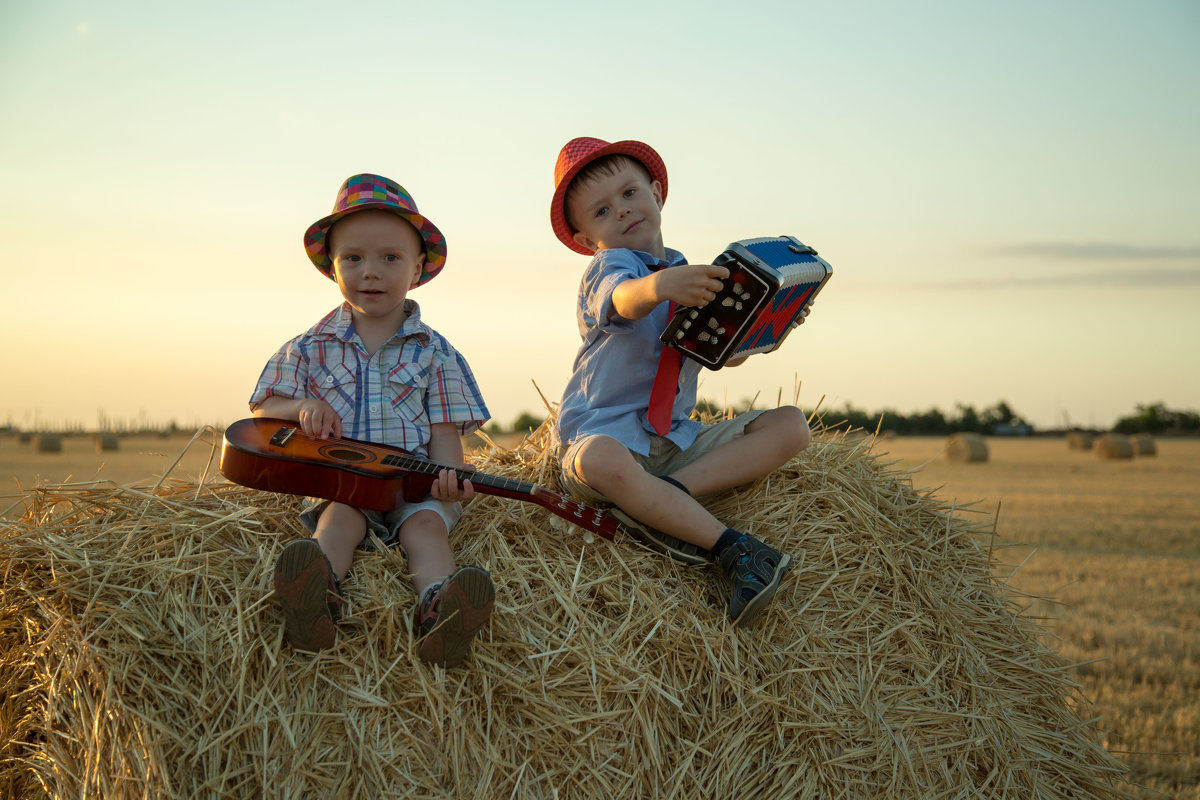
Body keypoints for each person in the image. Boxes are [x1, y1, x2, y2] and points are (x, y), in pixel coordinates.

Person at [549, 137, 812, 626]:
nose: (623, 211)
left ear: (656, 192)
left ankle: (668, 497)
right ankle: (734, 550)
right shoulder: (609, 268)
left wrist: (768, 324)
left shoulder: (687, 270)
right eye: (602, 211)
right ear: (588, 240)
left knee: (792, 425)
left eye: (630, 194)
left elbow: (720, 355)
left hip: (671, 439)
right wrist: (660, 286)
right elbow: (625, 299)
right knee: (599, 458)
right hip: (606, 436)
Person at [250, 174, 492, 667]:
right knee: (340, 520)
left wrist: (451, 482)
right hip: (343, 483)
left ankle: (441, 610)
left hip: (412, 486)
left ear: (418, 267)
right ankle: (317, 599)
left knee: (426, 529)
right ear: (332, 269)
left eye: (390, 257)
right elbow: (263, 407)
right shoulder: (309, 346)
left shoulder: (436, 352)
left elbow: (445, 433)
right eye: (353, 258)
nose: (371, 272)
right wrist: (300, 408)